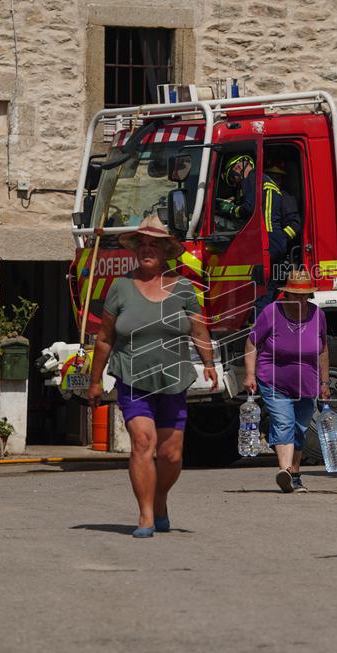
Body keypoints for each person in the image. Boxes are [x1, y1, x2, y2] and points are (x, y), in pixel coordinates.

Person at [87, 215, 217, 538]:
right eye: (141, 244)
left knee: (171, 455)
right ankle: (145, 515)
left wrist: (209, 362)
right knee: (143, 442)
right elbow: (104, 338)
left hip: (173, 380)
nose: (147, 250)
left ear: (164, 252)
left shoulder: (184, 288)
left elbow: (199, 329)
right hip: (132, 377)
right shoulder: (120, 287)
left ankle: (159, 498)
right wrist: (94, 380)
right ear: (134, 250)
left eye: (153, 245)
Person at [243, 268, 330, 493]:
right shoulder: (272, 312)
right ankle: (285, 471)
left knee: (299, 430)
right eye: (296, 295)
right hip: (273, 379)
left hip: (306, 383)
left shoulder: (318, 314)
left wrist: (325, 382)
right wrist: (250, 374)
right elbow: (252, 342)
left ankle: (296, 474)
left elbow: (322, 350)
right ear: (287, 294)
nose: (300, 300)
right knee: (284, 422)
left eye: (304, 295)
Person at [216, 154, 303, 311]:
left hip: (268, 243)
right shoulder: (266, 183)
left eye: (233, 179)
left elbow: (249, 209)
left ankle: (257, 331)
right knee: (266, 295)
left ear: (238, 168)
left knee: (255, 295)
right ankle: (265, 327)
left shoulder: (253, 178)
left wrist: (229, 209)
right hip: (275, 245)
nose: (237, 184)